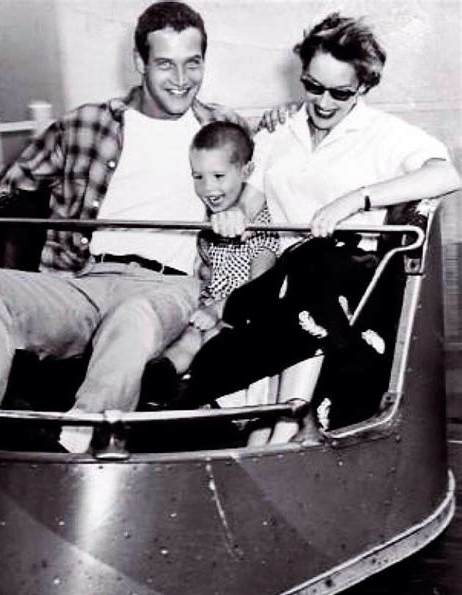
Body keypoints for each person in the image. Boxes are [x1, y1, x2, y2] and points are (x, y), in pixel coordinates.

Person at [174, 12, 460, 440]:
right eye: (313, 86)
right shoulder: (280, 131)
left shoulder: (383, 133)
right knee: (296, 275)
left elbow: (446, 176)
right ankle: (271, 428)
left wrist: (353, 199)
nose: (324, 102)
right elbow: (250, 200)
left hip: (356, 283)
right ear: (302, 75)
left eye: (340, 92)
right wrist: (232, 214)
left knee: (320, 261)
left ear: (362, 86)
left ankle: (286, 420)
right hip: (288, 278)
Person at [0, 0, 249, 453]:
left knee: (133, 319)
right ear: (139, 63)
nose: (182, 80)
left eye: (193, 63)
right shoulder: (87, 123)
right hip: (84, 280)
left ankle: (80, 444)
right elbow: (7, 192)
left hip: (169, 288)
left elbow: (263, 185)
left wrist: (239, 210)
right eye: (166, 64)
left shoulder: (224, 128)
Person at [142, 120, 279, 404]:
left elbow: (259, 285)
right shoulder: (211, 219)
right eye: (198, 177)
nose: (207, 187)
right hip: (210, 308)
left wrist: (218, 309)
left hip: (241, 312)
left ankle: (199, 394)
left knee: (212, 339)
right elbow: (208, 267)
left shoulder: (259, 219)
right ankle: (159, 384)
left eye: (218, 175)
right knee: (186, 340)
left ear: (247, 172)